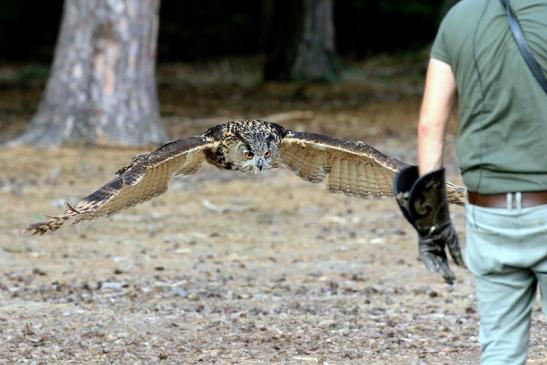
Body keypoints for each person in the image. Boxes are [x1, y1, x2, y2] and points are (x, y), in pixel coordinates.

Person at [393, 0, 547, 364]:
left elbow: (430, 124)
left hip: (488, 213)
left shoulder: (460, 17)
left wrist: (430, 223)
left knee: (500, 351)